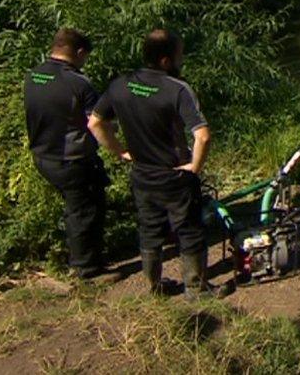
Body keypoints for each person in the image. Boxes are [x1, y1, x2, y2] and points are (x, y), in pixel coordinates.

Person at [87, 29, 222, 298]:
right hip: (174, 176)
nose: (181, 61)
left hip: (142, 174)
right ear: (165, 60)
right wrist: (194, 168)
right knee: (189, 230)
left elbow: (94, 122)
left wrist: (120, 152)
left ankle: (153, 288)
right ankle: (195, 288)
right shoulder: (177, 89)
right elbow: (203, 136)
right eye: (179, 56)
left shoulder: (120, 84)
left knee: (149, 230)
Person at [24, 28, 113, 279]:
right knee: (85, 210)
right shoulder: (77, 82)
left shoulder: (34, 75)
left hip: (42, 155)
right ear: (79, 52)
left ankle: (84, 257)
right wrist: (119, 148)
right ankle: (87, 269)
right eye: (85, 57)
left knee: (76, 208)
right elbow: (97, 122)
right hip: (72, 159)